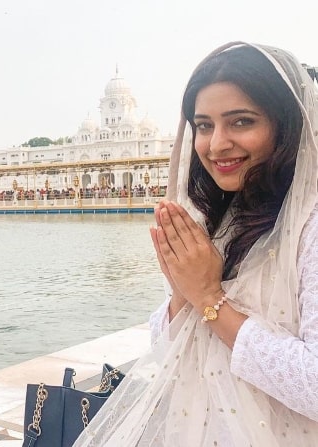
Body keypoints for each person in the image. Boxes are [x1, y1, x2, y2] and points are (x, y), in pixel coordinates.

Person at [74, 42, 318, 446]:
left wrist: (209, 296)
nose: (216, 143)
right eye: (203, 125)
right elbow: (170, 345)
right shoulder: (221, 217)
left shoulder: (309, 228)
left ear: (287, 125)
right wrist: (181, 295)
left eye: (240, 122)